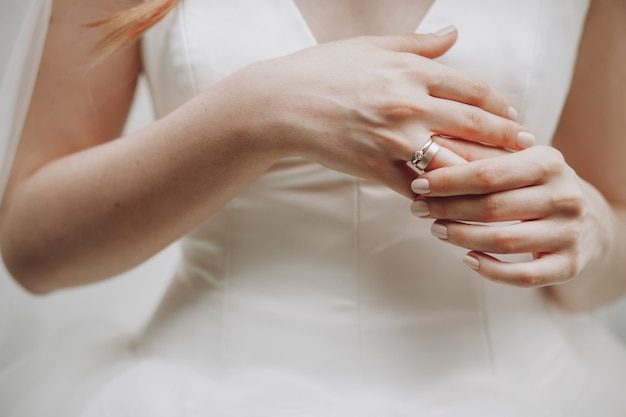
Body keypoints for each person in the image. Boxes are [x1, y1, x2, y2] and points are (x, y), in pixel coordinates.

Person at [1, 0, 625, 415]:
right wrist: (261, 110)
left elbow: (604, 271)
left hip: (527, 392)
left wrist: (592, 231)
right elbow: (34, 249)